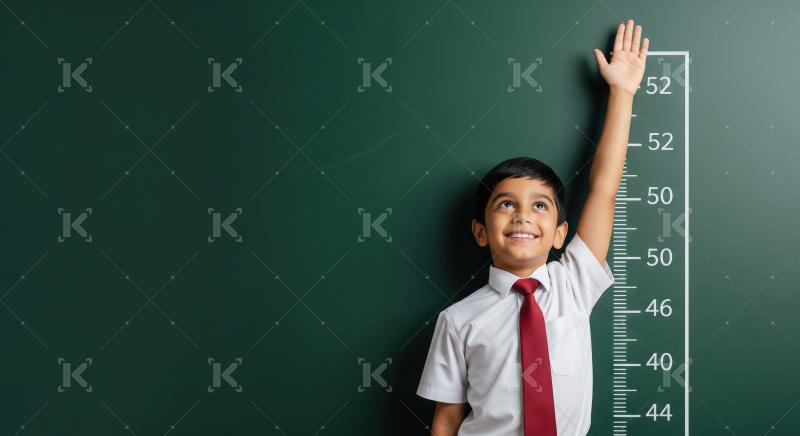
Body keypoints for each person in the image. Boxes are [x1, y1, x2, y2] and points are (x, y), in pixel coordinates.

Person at [416, 19, 650, 436]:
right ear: (480, 231)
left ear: (560, 234)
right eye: (505, 204)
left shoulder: (573, 283)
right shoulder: (457, 321)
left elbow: (603, 191)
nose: (522, 215)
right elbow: (447, 420)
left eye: (540, 206)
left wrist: (622, 92)